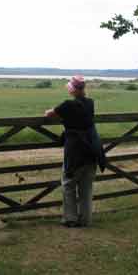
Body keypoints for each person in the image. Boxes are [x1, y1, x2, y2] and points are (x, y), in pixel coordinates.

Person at [44, 75, 106, 228]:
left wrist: (55, 113)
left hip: (75, 151)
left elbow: (49, 114)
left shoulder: (67, 105)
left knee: (68, 184)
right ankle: (85, 219)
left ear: (72, 89)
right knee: (86, 187)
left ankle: (70, 219)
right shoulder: (90, 103)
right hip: (92, 148)